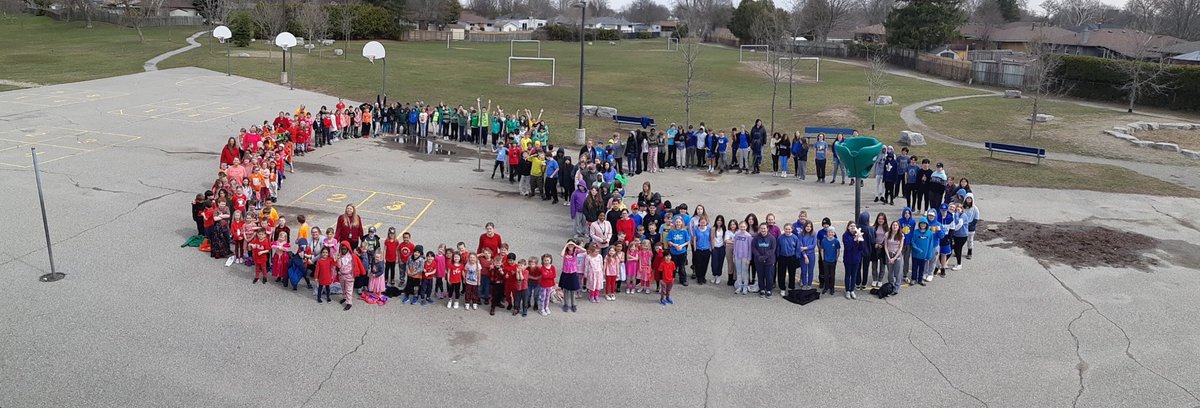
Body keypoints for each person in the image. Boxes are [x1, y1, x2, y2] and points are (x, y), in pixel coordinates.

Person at [751, 224, 777, 298]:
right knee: (760, 275)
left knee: (769, 276)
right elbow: (753, 248)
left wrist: (765, 257)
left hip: (769, 261)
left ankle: (769, 290)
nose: (763, 230)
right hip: (758, 260)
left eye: (764, 228)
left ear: (767, 229)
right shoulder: (756, 238)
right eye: (761, 228)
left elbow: (772, 249)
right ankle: (762, 289)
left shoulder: (772, 238)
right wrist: (759, 256)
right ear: (759, 229)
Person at [909, 217, 935, 286]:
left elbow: (931, 244)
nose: (923, 225)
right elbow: (912, 242)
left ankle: (920, 279)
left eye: (924, 224)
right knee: (914, 267)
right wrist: (917, 249)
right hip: (915, 254)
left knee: (922, 268)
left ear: (926, 224)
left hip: (924, 255)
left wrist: (929, 254)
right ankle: (913, 279)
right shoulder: (915, 232)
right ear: (919, 224)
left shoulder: (929, 233)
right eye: (921, 223)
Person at [842, 222, 865, 300]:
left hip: (856, 258)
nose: (852, 227)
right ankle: (847, 290)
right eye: (851, 226)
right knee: (848, 275)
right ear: (848, 227)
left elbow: (861, 248)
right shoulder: (845, 236)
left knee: (854, 275)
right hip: (848, 259)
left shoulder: (858, 234)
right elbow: (848, 248)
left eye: (854, 226)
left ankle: (852, 290)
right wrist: (854, 240)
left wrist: (860, 240)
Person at [776, 223, 799, 295]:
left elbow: (797, 248)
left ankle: (791, 286)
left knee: (792, 273)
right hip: (782, 257)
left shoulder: (795, 238)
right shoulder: (780, 238)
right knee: (781, 273)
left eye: (789, 229)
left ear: (792, 229)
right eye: (786, 229)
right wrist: (778, 256)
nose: (787, 230)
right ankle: (782, 288)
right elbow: (778, 247)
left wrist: (797, 256)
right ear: (784, 229)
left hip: (792, 257)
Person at [560, 240, 582, 313]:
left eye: (571, 244)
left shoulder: (576, 251)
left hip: (573, 272)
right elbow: (561, 254)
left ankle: (573, 304)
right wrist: (566, 246)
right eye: (569, 244)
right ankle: (566, 304)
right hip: (565, 272)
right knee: (566, 290)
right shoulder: (565, 252)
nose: (570, 246)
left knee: (573, 290)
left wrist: (576, 245)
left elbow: (584, 250)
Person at [885, 221, 906, 294]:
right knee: (890, 272)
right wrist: (889, 257)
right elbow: (885, 246)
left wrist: (894, 258)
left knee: (898, 272)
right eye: (893, 225)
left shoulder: (901, 235)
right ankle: (891, 285)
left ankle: (896, 287)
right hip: (889, 254)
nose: (895, 226)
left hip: (897, 255)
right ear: (891, 226)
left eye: (896, 225)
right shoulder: (887, 234)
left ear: (898, 227)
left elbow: (901, 247)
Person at [818, 227, 840, 296]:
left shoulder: (836, 241)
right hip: (826, 260)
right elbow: (822, 250)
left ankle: (832, 288)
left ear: (834, 233)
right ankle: (826, 287)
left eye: (832, 232)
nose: (830, 233)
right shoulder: (824, 241)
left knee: (832, 275)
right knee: (826, 274)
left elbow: (838, 250)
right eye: (829, 232)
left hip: (833, 261)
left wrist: (836, 258)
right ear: (827, 233)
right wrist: (823, 258)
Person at [691, 216, 712, 285]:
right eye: (701, 222)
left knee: (705, 264)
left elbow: (710, 238)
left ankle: (703, 276)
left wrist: (711, 248)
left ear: (706, 223)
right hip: (699, 249)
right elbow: (694, 239)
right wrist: (695, 248)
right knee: (698, 264)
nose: (702, 224)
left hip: (706, 249)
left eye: (704, 222)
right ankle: (699, 277)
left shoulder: (709, 229)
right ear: (699, 222)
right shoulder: (696, 230)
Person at [797, 221, 817, 290]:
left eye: (810, 226)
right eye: (807, 226)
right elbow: (800, 246)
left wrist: (805, 248)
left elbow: (813, 245)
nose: (808, 228)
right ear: (804, 227)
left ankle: (809, 284)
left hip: (811, 255)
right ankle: (804, 284)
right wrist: (805, 256)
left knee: (810, 271)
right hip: (803, 255)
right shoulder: (800, 234)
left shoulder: (814, 234)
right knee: (804, 270)